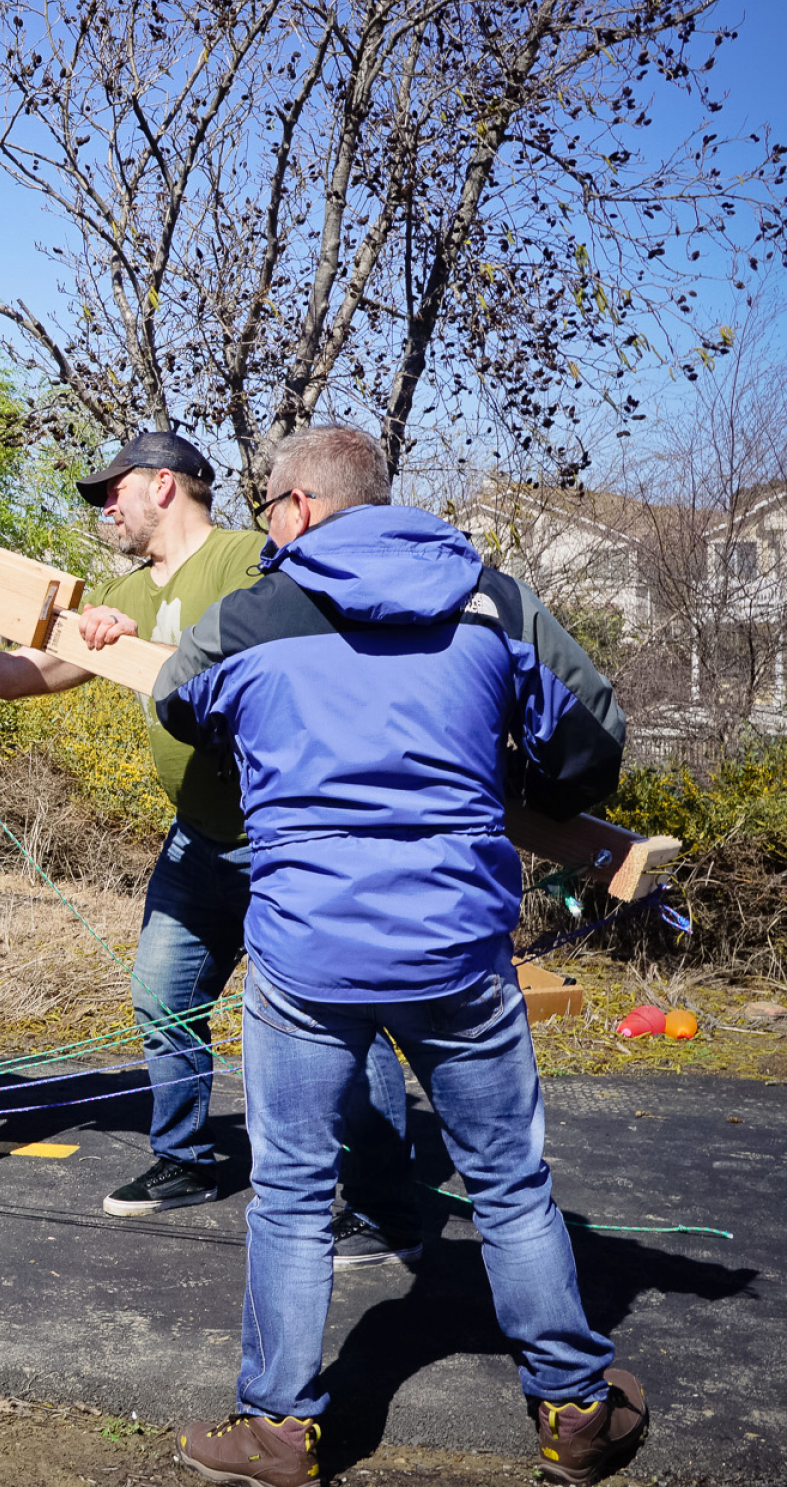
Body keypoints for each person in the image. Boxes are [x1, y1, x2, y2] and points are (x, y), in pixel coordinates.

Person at [147, 428, 641, 1485]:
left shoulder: (249, 616)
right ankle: (575, 1413)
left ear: (303, 507)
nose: (267, 526)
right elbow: (594, 734)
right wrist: (537, 789)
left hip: (304, 947)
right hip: (457, 945)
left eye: (269, 507)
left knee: (287, 1192)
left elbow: (175, 703)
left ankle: (281, 1429)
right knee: (510, 1187)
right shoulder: (493, 601)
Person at [0, 431, 416, 1265]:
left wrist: (163, 648)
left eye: (112, 491)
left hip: (291, 838)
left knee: (335, 1014)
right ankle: (185, 1158)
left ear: (163, 486)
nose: (103, 508)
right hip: (201, 841)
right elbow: (24, 672)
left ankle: (378, 1204)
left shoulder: (250, 558)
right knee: (163, 989)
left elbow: (307, 653)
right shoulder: (126, 593)